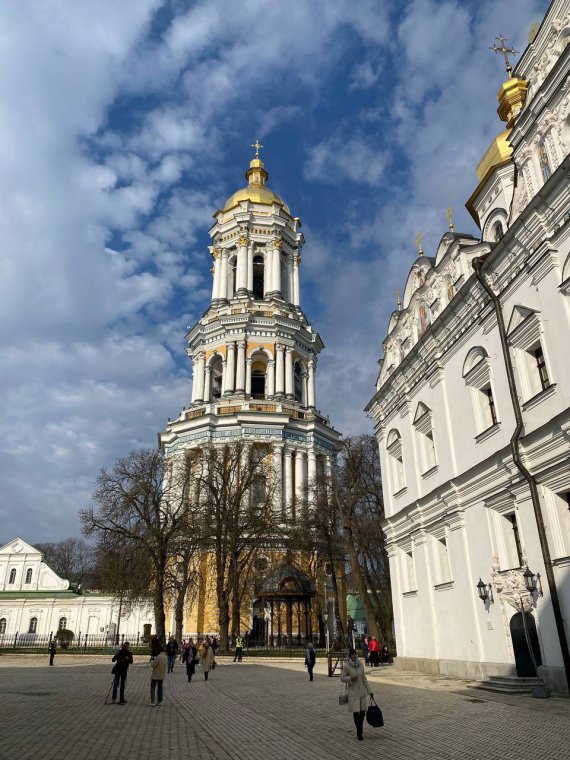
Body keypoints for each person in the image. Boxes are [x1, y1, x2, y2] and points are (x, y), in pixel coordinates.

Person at [340, 648, 372, 741]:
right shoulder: (347, 666)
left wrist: (370, 691)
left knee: (362, 711)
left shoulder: (360, 664)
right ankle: (359, 731)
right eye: (352, 654)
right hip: (353, 692)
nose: (354, 656)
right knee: (356, 711)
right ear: (349, 656)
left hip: (362, 692)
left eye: (355, 654)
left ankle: (360, 726)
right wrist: (350, 678)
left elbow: (364, 678)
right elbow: (342, 678)